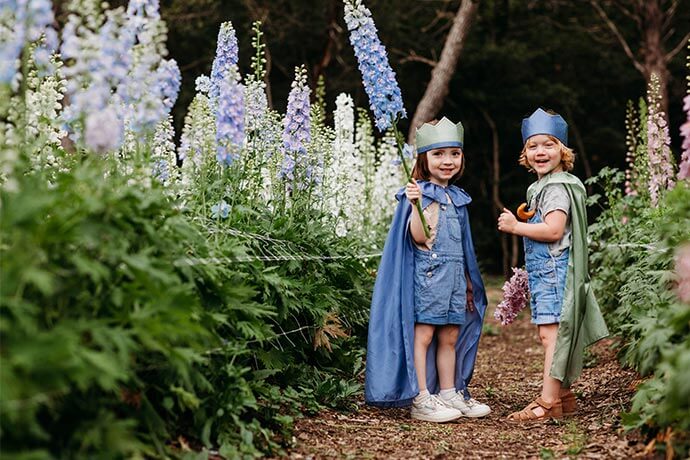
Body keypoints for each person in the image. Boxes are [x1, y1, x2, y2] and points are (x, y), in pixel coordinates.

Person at [365, 117, 491, 423]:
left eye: (454, 154)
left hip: (454, 280)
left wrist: (468, 282)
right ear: (424, 158)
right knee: (423, 336)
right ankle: (421, 397)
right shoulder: (419, 193)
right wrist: (416, 205)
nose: (447, 161)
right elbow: (419, 237)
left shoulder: (457, 198)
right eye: (438, 154)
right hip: (429, 278)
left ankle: (448, 391)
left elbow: (462, 246)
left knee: (449, 335)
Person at [497, 108, 608, 421]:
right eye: (533, 146)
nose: (540, 152)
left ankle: (547, 404)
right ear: (525, 153)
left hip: (555, 273)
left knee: (551, 337)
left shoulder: (557, 187)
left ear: (563, 150)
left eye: (548, 144)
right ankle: (563, 395)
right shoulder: (550, 184)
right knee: (553, 335)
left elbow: (554, 230)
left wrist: (516, 227)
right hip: (549, 272)